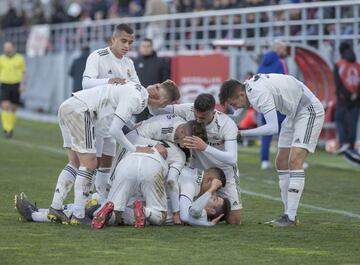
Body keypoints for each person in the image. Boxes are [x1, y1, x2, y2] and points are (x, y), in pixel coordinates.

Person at [47, 80, 179, 225]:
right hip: (81, 110)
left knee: (75, 162)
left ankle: (56, 207)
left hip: (69, 105)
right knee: (90, 163)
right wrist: (135, 148)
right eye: (165, 105)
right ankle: (78, 215)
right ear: (163, 101)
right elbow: (115, 130)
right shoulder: (137, 98)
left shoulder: (137, 89)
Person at [219, 75, 325, 227]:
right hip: (293, 114)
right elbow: (236, 118)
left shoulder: (257, 93)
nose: (235, 107)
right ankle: (288, 215)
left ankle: (290, 216)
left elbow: (272, 128)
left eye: (233, 103)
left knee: (294, 160)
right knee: (281, 162)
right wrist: (214, 119)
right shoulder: (247, 90)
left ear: (241, 95)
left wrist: (241, 134)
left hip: (309, 111)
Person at [151, 93, 241, 224]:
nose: (198, 120)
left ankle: (199, 214)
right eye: (196, 116)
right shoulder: (188, 109)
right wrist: (154, 99)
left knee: (234, 220)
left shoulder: (227, 124)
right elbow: (156, 111)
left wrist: (205, 147)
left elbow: (232, 158)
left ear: (212, 111)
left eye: (202, 118)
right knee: (186, 207)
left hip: (223, 172)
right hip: (198, 171)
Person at [81, 23, 140, 206]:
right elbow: (85, 83)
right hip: (94, 118)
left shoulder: (128, 63)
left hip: (114, 121)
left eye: (130, 42)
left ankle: (99, 199)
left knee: (106, 162)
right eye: (123, 41)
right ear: (113, 39)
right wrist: (109, 81)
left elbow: (136, 87)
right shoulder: (98, 56)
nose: (127, 46)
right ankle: (81, 201)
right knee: (91, 163)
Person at [257, 40, 287, 170]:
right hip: (278, 101)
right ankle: (290, 160)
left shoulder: (262, 63)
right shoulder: (281, 62)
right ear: (279, 49)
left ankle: (264, 160)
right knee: (286, 131)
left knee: (267, 131)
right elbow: (285, 81)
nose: (285, 51)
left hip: (265, 101)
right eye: (284, 48)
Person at [133, 38, 170, 122]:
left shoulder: (161, 62)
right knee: (140, 126)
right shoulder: (135, 62)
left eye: (148, 46)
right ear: (140, 48)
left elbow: (165, 83)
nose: (145, 48)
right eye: (143, 46)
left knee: (157, 125)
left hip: (156, 100)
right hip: (140, 100)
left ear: (152, 47)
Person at [333, 42, 360, 154]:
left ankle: (343, 143)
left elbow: (338, 83)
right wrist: (356, 95)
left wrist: (347, 95)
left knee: (339, 120)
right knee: (353, 122)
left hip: (343, 98)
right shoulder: (358, 65)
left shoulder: (339, 64)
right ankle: (351, 146)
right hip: (357, 99)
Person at [0, 41, 26, 138]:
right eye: (5, 47)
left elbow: (23, 72)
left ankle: (10, 128)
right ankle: (7, 129)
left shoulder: (20, 58)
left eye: (8, 47)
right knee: (5, 106)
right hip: (5, 84)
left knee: (14, 108)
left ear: (13, 47)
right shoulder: (1, 59)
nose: (6, 49)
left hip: (16, 84)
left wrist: (23, 84)